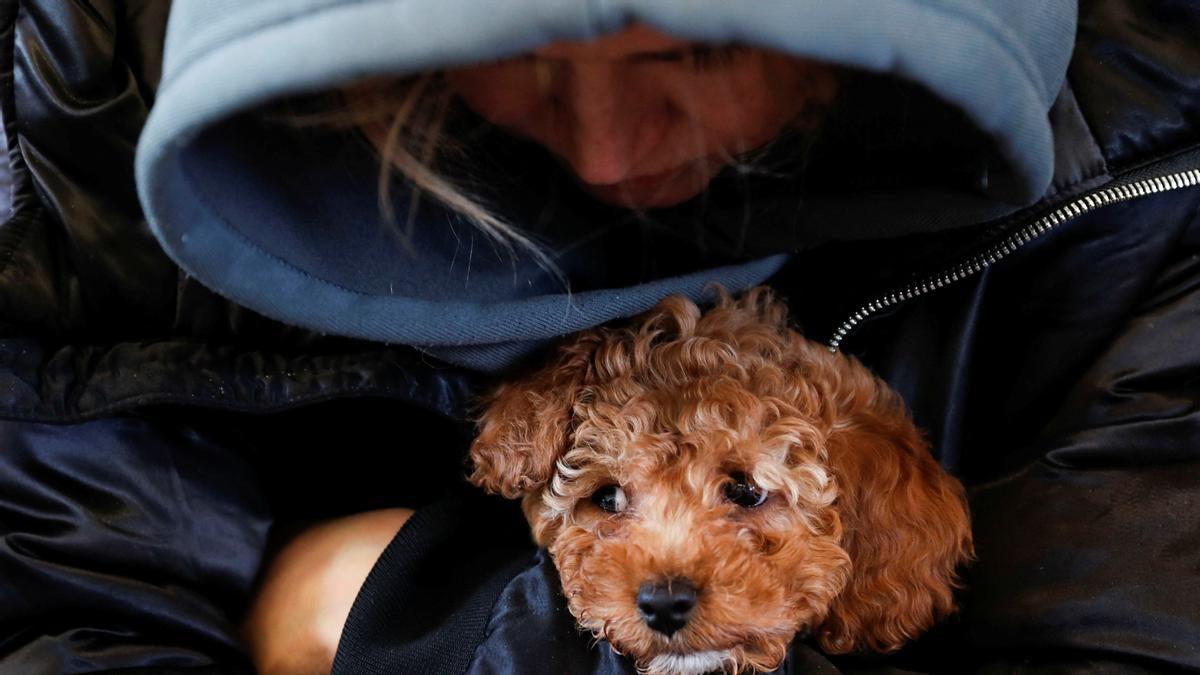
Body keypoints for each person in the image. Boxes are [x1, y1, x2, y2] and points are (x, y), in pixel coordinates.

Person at [0, 1, 1198, 674]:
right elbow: (70, 597)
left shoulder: (1148, 176)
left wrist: (398, 612)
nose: (615, 154)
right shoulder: (83, 108)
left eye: (701, 47)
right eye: (509, 50)